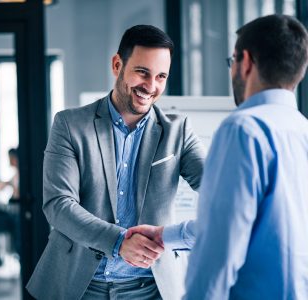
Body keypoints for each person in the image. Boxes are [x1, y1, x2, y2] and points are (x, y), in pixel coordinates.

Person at [127, 14, 308, 299]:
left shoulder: (243, 129)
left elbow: (220, 245)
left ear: (245, 61)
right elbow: (246, 223)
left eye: (232, 61)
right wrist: (166, 235)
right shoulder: (302, 130)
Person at [26, 25, 206, 300]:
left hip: (152, 289)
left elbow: (219, 189)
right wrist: (119, 242)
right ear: (117, 64)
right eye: (142, 72)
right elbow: (58, 205)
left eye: (161, 76)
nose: (151, 86)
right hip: (80, 286)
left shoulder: (178, 132)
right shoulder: (70, 125)